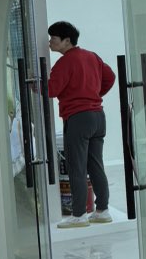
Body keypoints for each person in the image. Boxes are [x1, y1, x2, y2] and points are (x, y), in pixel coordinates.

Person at [46, 20, 115, 229]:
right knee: (96, 165)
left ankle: (79, 215)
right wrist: (94, 95)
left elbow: (51, 90)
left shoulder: (64, 63)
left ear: (67, 41)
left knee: (76, 167)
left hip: (78, 118)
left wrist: (34, 85)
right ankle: (102, 210)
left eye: (54, 39)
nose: (50, 42)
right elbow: (110, 77)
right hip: (98, 116)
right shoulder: (92, 56)